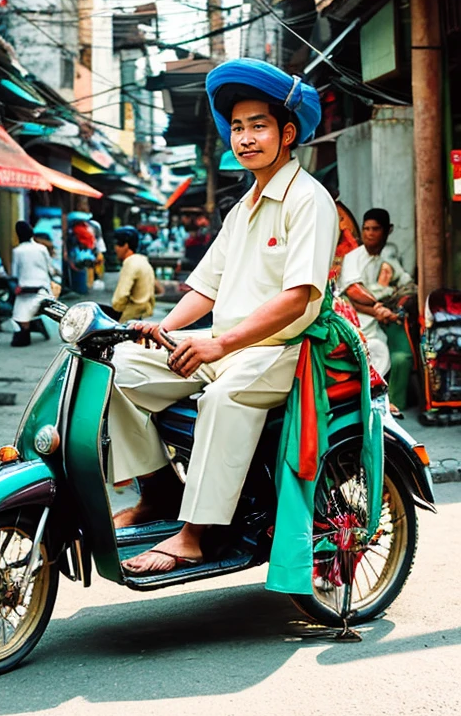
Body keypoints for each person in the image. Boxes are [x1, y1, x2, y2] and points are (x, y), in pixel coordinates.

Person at [108, 59, 338, 575]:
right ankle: (161, 489)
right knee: (119, 368)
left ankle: (194, 535)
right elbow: (204, 286)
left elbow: (298, 297)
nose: (246, 138)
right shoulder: (242, 207)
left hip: (283, 352)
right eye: (238, 127)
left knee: (222, 397)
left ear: (288, 132)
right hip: (228, 345)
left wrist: (219, 345)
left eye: (259, 125)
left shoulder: (309, 200)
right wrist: (164, 329)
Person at [337, 207, 415, 411]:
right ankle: (368, 402)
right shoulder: (353, 257)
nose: (370, 233)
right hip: (356, 321)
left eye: (375, 229)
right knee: (376, 350)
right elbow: (353, 293)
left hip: (381, 323)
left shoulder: (390, 257)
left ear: (388, 230)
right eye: (366, 229)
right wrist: (378, 306)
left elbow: (407, 286)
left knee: (388, 353)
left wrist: (391, 305)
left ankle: (384, 403)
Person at [11, 221, 57, 347]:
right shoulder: (41, 248)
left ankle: (25, 332)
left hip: (25, 289)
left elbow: (15, 273)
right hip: (43, 287)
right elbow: (50, 269)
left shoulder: (17, 251)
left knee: (19, 312)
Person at [111, 226, 156, 323]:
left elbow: (120, 297)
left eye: (118, 245)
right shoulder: (143, 261)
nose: (116, 249)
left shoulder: (130, 264)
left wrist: (115, 311)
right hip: (142, 314)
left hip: (130, 316)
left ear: (126, 245)